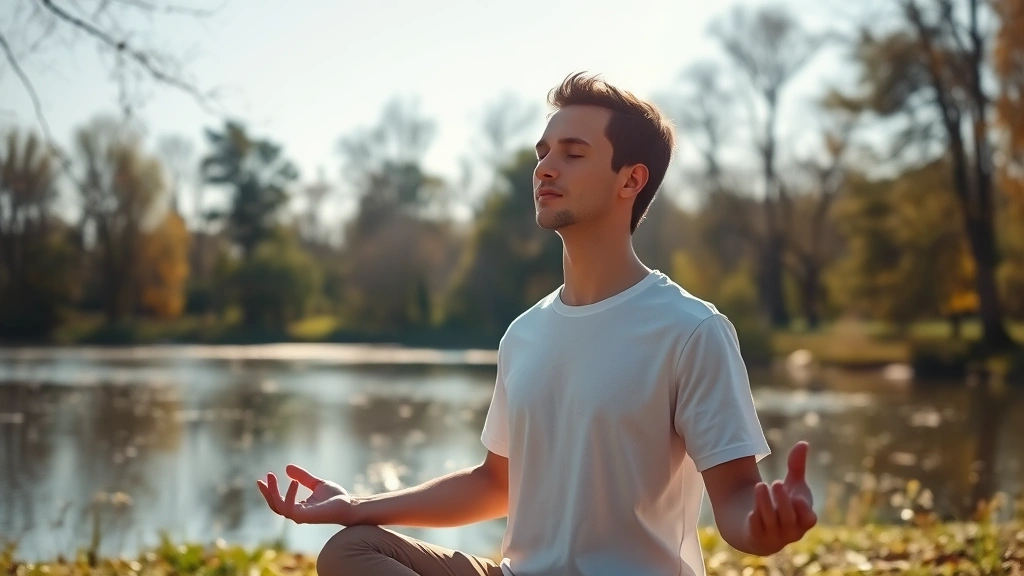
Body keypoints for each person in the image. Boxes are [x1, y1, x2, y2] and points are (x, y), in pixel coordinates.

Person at [256, 72, 817, 576]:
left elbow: (739, 498)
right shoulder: (524, 334)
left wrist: (768, 526)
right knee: (349, 552)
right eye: (543, 151)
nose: (545, 167)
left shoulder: (692, 330)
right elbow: (494, 485)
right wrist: (356, 506)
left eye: (573, 153)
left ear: (630, 180)